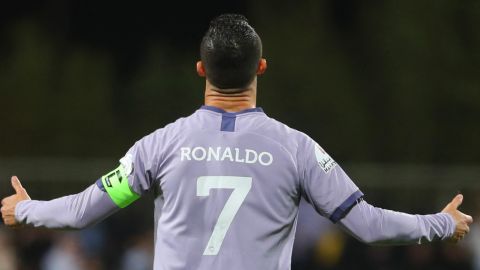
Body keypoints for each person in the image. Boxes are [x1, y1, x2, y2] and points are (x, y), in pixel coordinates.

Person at [0, 14, 473, 270]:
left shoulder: (159, 146)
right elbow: (368, 226)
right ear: (261, 68)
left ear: (201, 69)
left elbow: (84, 212)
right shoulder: (297, 149)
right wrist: (439, 223)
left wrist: (24, 210)